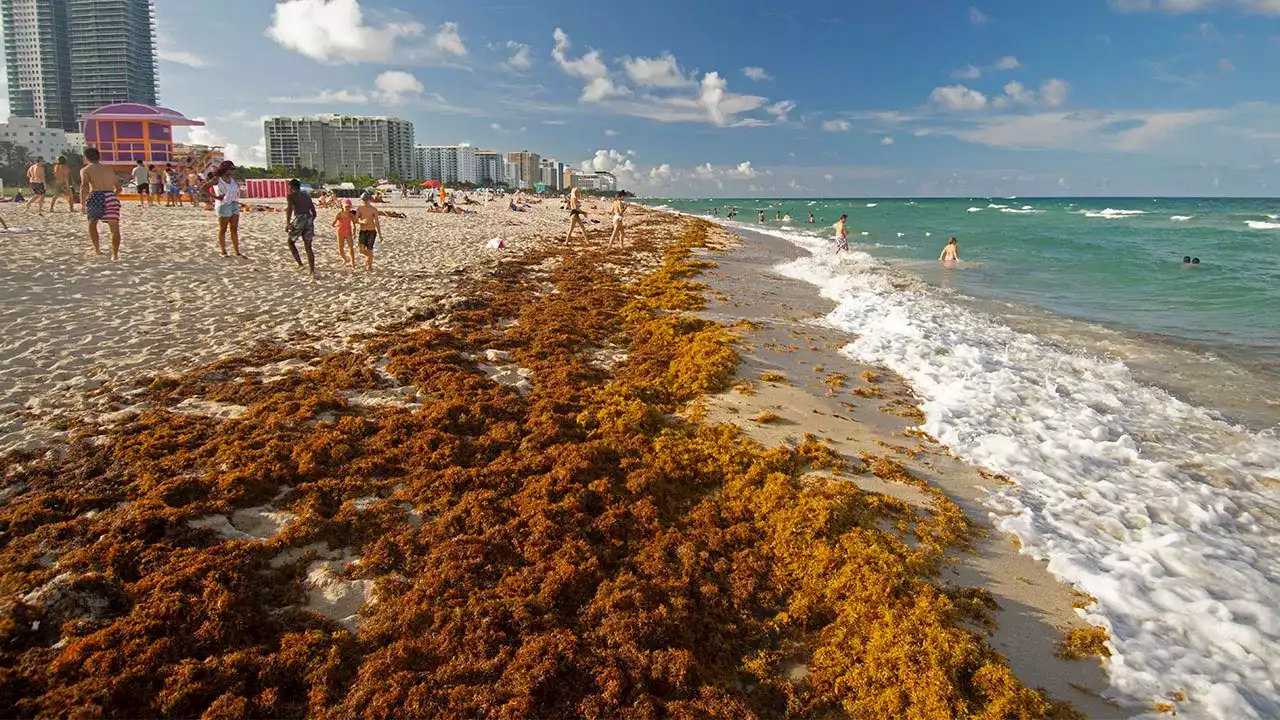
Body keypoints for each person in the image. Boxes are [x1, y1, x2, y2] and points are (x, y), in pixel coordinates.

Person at [79, 147, 123, 259]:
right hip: (110, 195)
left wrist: (82, 203)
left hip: (96, 196)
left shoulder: (86, 170)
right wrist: (111, 197)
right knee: (114, 228)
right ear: (99, 156)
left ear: (86, 157)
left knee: (92, 223)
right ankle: (115, 255)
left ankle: (97, 249)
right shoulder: (108, 169)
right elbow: (118, 188)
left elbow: (84, 186)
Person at [201, 160, 243, 257]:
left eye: (233, 169)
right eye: (231, 169)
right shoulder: (217, 179)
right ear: (225, 169)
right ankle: (223, 251)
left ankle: (237, 251)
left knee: (234, 228)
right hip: (223, 205)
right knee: (223, 229)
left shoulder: (232, 179)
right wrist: (215, 197)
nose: (233, 171)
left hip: (234, 203)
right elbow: (203, 188)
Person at [284, 179, 317, 278]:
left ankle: (300, 264)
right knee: (308, 247)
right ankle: (312, 271)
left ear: (291, 187)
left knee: (290, 242)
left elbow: (289, 210)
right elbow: (314, 213)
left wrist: (288, 223)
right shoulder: (306, 195)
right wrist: (310, 221)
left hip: (299, 219)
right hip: (309, 218)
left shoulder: (291, 196)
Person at [355, 192, 381, 273]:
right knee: (361, 250)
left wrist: (380, 234)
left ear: (369, 200)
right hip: (363, 231)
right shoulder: (360, 208)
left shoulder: (373, 210)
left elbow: (377, 222)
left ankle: (369, 266)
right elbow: (356, 220)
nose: (364, 202)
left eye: (365, 200)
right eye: (363, 200)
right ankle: (369, 258)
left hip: (371, 231)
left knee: (369, 250)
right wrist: (361, 221)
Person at [333, 199, 356, 267]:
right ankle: (344, 259)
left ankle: (352, 262)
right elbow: (333, 223)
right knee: (340, 246)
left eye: (349, 206)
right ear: (342, 206)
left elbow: (354, 225)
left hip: (348, 232)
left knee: (351, 247)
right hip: (340, 232)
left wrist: (354, 233)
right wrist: (336, 226)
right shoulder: (339, 214)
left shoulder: (351, 215)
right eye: (346, 206)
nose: (347, 208)